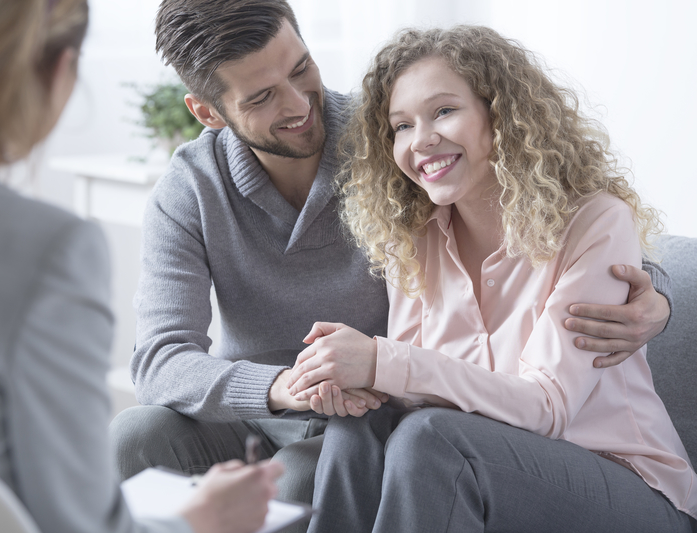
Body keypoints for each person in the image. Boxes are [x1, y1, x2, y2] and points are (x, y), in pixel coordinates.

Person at [109, 0, 676, 519]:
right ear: (208, 112)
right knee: (134, 434)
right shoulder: (200, 188)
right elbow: (160, 358)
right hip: (295, 405)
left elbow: (589, 239)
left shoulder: (388, 140)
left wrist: (657, 297)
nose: (298, 103)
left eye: (301, 68)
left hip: (390, 421)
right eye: (260, 97)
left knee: (364, 451)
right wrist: (290, 385)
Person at [284, 26, 697, 532]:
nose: (422, 139)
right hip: (489, 473)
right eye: (401, 126)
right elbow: (417, 390)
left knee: (431, 438)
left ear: (500, 114)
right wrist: (359, 385)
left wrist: (380, 360)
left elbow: (548, 406)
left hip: (627, 488)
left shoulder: (595, 221)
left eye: (443, 111)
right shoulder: (412, 241)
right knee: (360, 430)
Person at [0, 1, 283, 533]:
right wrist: (200, 520)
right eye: (261, 95)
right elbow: (80, 523)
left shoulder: (385, 142)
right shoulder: (48, 247)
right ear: (60, 71)